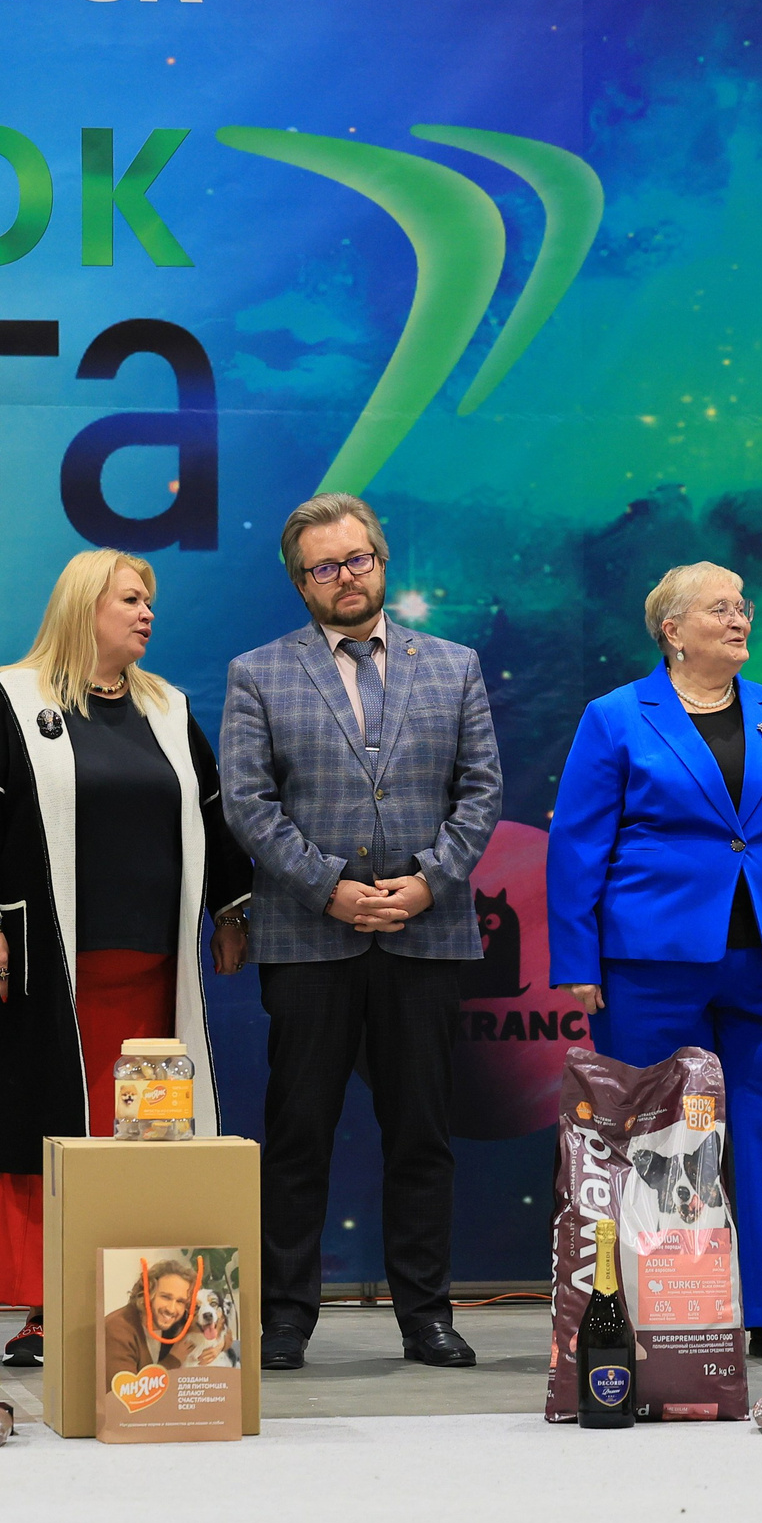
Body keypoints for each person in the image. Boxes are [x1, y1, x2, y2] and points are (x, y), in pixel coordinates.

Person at [0, 550, 252, 1367]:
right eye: (131, 599)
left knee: (148, 1140)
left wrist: (228, 909)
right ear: (83, 607)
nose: (147, 613)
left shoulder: (168, 708)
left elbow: (209, 811)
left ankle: (148, 1311)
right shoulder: (15, 703)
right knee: (54, 1129)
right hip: (47, 977)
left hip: (152, 977)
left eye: (151, 601)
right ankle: (51, 1310)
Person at [545, 561, 762, 1360]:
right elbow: (578, 846)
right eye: (719, 608)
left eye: (743, 606)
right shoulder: (617, 717)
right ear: (672, 629)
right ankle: (665, 1303)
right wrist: (578, 958)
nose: (740, 618)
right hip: (653, 959)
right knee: (657, 1138)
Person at [220, 493, 502, 1372]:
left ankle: (427, 1317)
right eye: (323, 567)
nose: (345, 577)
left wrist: (426, 884)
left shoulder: (454, 666)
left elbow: (483, 791)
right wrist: (330, 888)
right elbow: (248, 804)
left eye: (358, 559)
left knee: (422, 1134)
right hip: (310, 939)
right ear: (300, 582)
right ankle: (284, 1321)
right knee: (298, 1132)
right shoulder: (257, 673)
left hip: (427, 935)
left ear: (382, 559)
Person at [102, 1256, 200, 1391]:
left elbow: (221, 1327)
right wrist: (173, 1360)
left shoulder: (177, 1320)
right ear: (147, 1293)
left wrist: (220, 1345)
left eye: (180, 1301)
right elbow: (125, 1395)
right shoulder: (117, 1329)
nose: (172, 1309)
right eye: (166, 1297)